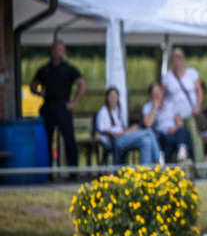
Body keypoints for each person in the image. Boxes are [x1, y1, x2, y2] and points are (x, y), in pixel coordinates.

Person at [30, 39, 87, 174]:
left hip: (63, 106)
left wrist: (74, 102)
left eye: (60, 49)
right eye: (55, 49)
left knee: (69, 139)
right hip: (48, 106)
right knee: (47, 140)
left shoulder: (69, 69)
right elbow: (33, 84)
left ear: (64, 51)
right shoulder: (44, 69)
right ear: (52, 51)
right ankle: (48, 172)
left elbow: (82, 84)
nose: (57, 52)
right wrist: (39, 92)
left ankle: (73, 172)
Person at [95, 87, 161, 166]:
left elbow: (121, 129)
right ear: (107, 98)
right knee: (149, 132)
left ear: (118, 98)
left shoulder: (116, 111)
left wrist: (130, 130)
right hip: (113, 141)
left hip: (122, 139)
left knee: (146, 141)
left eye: (115, 97)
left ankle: (145, 171)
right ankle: (159, 161)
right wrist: (129, 131)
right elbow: (110, 134)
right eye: (111, 97)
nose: (113, 99)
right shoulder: (103, 112)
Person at [162, 47, 204, 161]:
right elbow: (163, 95)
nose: (177, 61)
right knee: (178, 141)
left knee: (195, 139)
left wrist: (198, 105)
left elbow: (199, 90)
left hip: (190, 112)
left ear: (183, 59)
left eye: (179, 58)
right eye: (174, 59)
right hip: (175, 116)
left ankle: (201, 168)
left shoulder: (192, 73)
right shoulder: (168, 77)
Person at [141, 82, 191, 165]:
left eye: (159, 92)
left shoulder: (170, 104)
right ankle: (169, 166)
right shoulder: (148, 107)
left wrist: (174, 129)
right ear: (151, 94)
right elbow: (148, 125)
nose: (157, 95)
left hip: (175, 132)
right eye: (155, 93)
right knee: (168, 143)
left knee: (183, 131)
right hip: (161, 134)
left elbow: (179, 122)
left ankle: (182, 153)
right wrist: (155, 107)